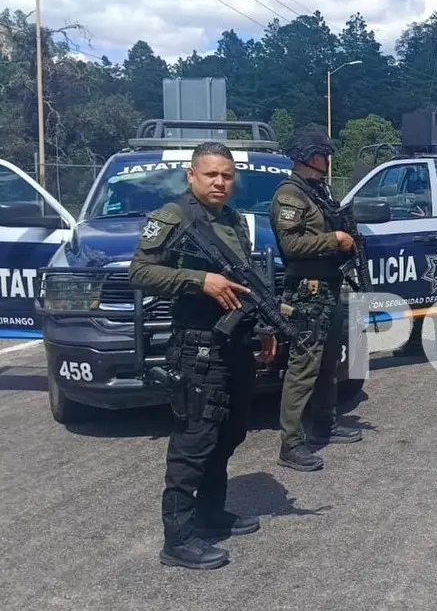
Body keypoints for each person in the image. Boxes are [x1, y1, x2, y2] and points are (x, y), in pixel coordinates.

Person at [129, 141, 276, 571]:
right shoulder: (173, 217)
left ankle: (212, 514)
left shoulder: (234, 221)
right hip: (196, 346)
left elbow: (249, 285)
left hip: (234, 345)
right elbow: (139, 272)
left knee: (229, 433)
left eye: (227, 176)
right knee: (193, 443)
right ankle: (177, 539)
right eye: (211, 174)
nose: (219, 182)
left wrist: (266, 327)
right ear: (191, 176)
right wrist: (199, 280)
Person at [269, 131, 363, 473]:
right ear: (310, 156)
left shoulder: (317, 192)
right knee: (303, 366)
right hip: (307, 292)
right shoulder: (290, 195)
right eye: (324, 154)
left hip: (329, 286)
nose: (328, 160)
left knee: (328, 361)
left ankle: (325, 423)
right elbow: (291, 246)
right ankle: (291, 443)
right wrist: (334, 238)